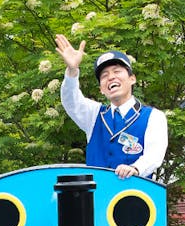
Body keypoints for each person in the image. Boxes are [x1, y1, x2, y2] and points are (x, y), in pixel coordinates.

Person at [53, 35, 167, 179]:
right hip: (96, 197)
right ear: (101, 88)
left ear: (132, 78)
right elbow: (71, 101)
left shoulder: (153, 117)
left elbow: (154, 155)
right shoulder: (94, 115)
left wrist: (135, 168)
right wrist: (72, 71)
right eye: (104, 75)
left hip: (134, 196)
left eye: (117, 71)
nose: (111, 77)